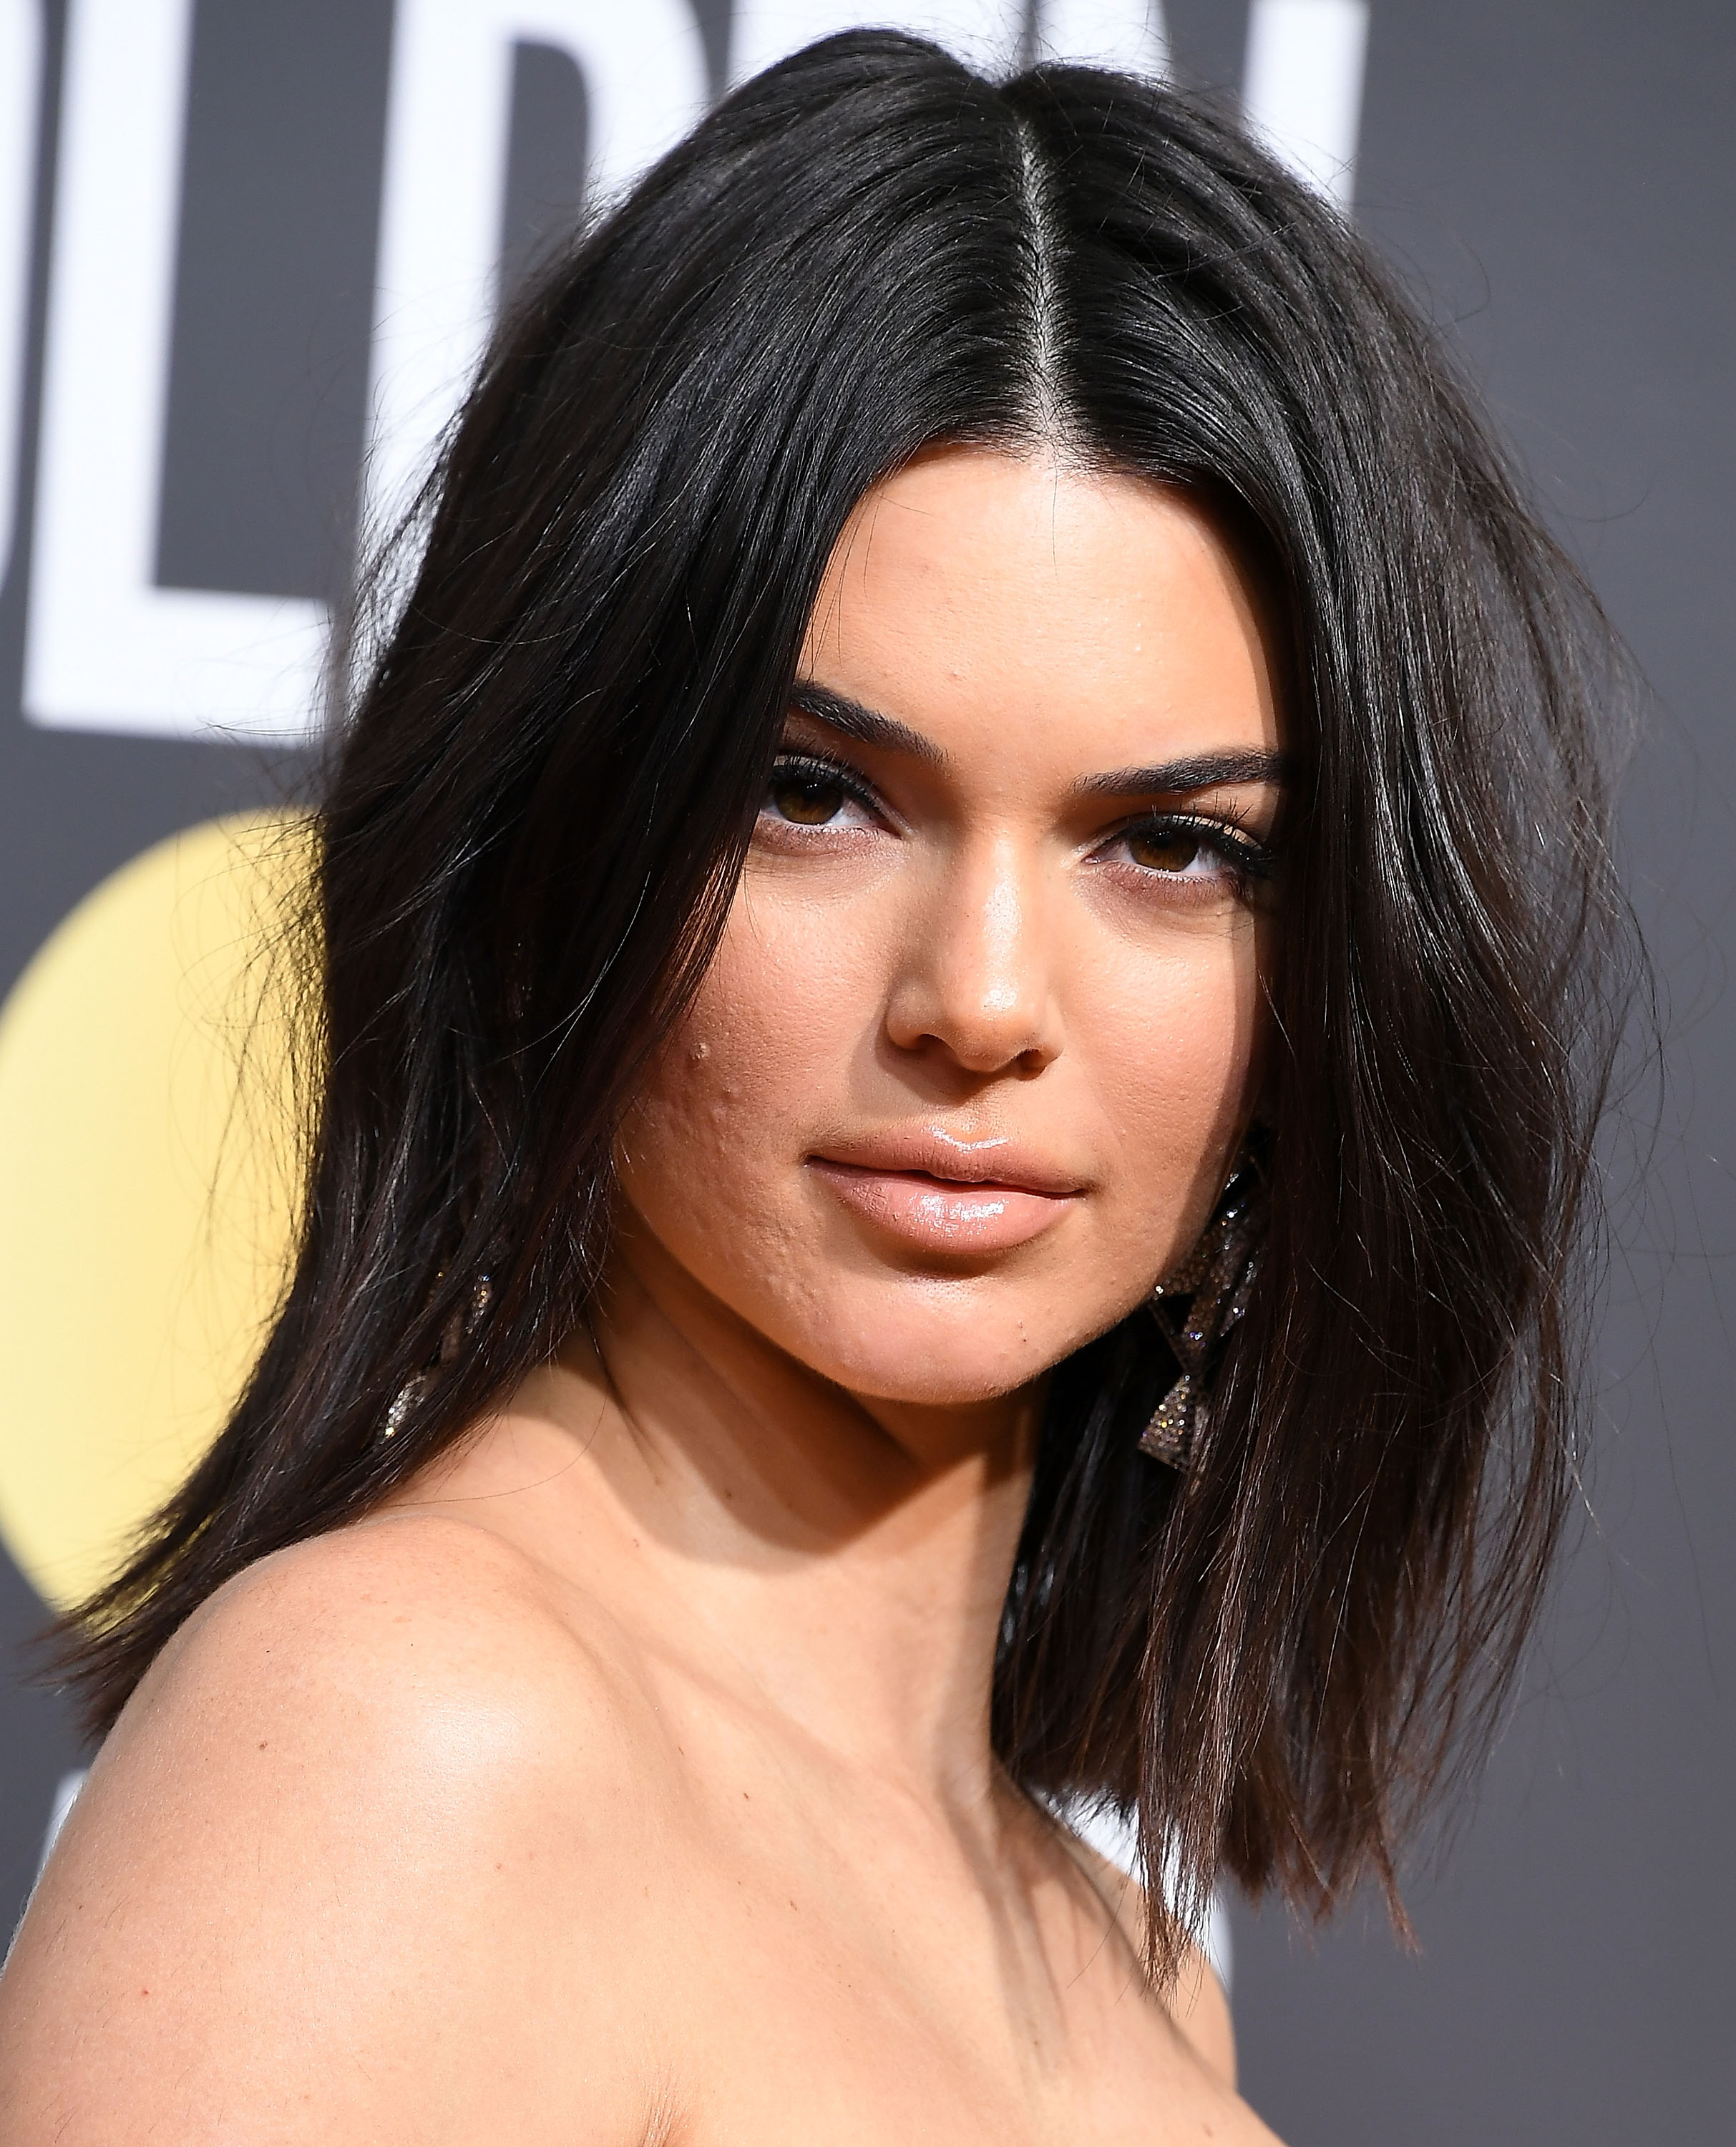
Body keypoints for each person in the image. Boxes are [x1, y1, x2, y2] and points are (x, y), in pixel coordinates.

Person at [0, 31, 1629, 2143]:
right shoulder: (409, 1746)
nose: (977, 1000)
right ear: (566, 826)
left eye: (1171, 846)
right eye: (813, 796)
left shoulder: (1109, 1976)